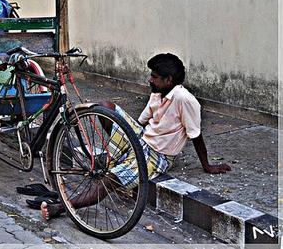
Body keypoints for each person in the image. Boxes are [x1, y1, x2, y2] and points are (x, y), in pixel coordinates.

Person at [41, 53, 232, 220]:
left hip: (158, 156)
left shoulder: (185, 100)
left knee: (109, 180)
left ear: (169, 80)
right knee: (106, 107)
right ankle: (119, 160)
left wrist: (207, 166)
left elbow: (196, 136)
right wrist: (125, 142)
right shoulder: (157, 92)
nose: (150, 80)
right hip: (142, 139)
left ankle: (61, 206)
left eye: (154, 77)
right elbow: (140, 123)